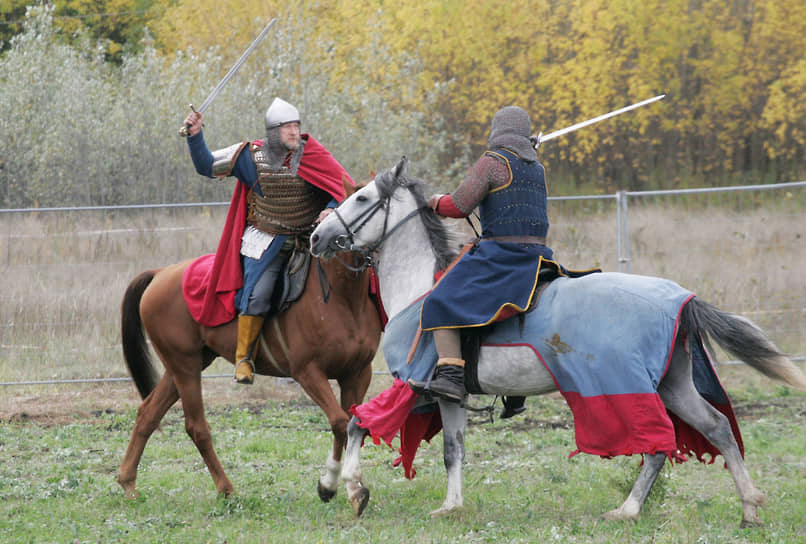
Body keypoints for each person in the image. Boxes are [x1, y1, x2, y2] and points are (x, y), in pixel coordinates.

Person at [183, 97, 352, 384]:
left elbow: (342, 186)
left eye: (296, 126)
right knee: (259, 295)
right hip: (266, 241)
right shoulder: (251, 156)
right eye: (287, 127)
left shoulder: (313, 154)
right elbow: (208, 165)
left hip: (308, 239)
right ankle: (244, 358)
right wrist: (196, 137)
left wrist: (333, 209)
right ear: (273, 131)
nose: (294, 132)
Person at [408, 106, 554, 403]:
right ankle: (514, 388)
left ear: (497, 130)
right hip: (539, 256)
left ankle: (450, 375)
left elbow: (459, 206)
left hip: (502, 256)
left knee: (438, 300)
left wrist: (436, 202)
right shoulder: (536, 168)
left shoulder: (492, 163)